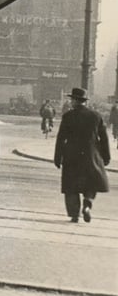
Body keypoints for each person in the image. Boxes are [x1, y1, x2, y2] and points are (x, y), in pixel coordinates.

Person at [53, 88, 110, 223]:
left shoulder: (68, 116)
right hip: (91, 154)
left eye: (72, 99)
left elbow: (61, 138)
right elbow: (104, 138)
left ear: (74, 101)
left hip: (72, 156)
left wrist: (58, 157)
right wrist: (106, 156)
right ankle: (87, 203)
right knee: (91, 183)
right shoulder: (96, 116)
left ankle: (74, 214)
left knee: (71, 185)